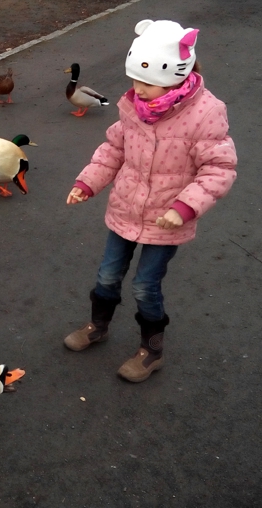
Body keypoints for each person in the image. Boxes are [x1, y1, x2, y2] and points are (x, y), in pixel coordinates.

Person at [64, 19, 237, 382]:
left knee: (145, 284)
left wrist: (184, 207)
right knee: (107, 274)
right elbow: (113, 149)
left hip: (166, 219)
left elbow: (219, 168)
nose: (137, 90)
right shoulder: (132, 108)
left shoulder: (206, 113)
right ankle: (98, 325)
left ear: (177, 75)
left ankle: (151, 349)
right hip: (125, 208)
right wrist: (88, 183)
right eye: (134, 81)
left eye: (146, 83)